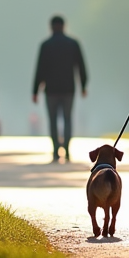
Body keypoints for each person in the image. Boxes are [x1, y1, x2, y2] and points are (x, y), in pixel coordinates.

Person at [32, 15, 88, 163]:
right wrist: (83, 85)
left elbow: (40, 69)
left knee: (52, 120)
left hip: (51, 90)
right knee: (68, 119)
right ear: (64, 26)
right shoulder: (73, 44)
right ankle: (67, 150)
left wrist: (35, 90)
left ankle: (56, 150)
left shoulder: (46, 45)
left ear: (51, 27)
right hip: (68, 88)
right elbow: (81, 66)